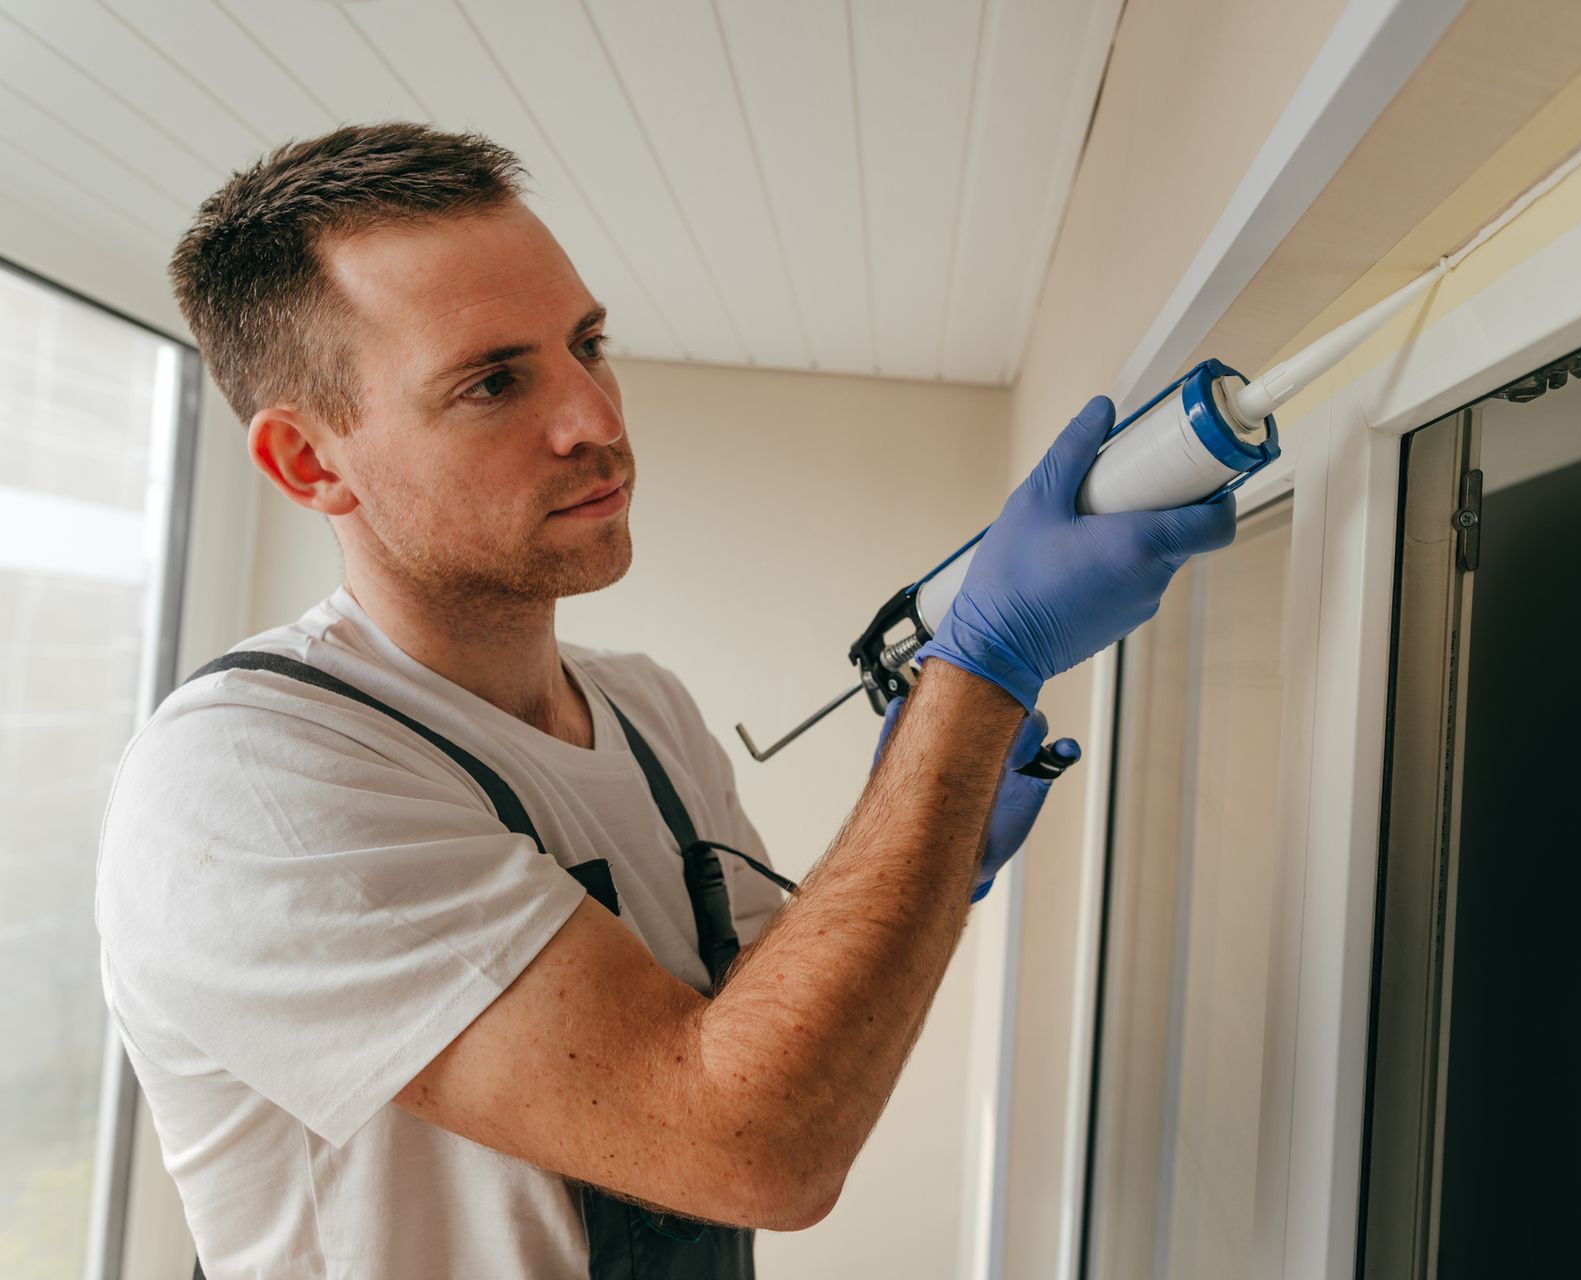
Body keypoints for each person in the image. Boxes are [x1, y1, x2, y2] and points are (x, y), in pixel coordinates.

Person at [94, 122, 1233, 1279]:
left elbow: (759, 1026)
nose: (596, 419)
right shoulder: (250, 775)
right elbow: (754, 1140)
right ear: (308, 464)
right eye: (494, 381)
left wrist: (938, 843)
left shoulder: (648, 711)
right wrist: (980, 675)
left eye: (588, 342)